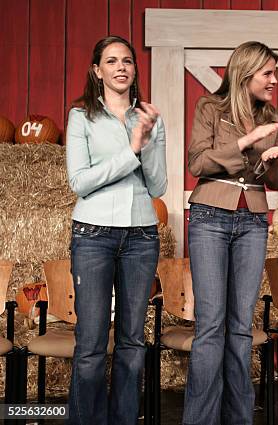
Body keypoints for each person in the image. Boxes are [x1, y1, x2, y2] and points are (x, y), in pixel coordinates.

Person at [184, 41, 278, 425]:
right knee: (212, 325)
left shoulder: (274, 116)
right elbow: (198, 161)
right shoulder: (210, 107)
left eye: (275, 73)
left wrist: (273, 162)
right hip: (211, 215)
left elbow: (273, 179)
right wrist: (247, 141)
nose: (274, 80)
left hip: (252, 221)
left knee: (241, 327)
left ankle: (239, 419)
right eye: (268, 73)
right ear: (245, 73)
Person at [65, 35, 167, 424]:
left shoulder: (150, 118)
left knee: (131, 342)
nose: (121, 67)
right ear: (97, 71)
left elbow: (156, 186)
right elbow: (80, 181)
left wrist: (149, 139)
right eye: (111, 61)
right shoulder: (82, 117)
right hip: (93, 235)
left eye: (127, 60)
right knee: (91, 344)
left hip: (141, 235)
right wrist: (132, 149)